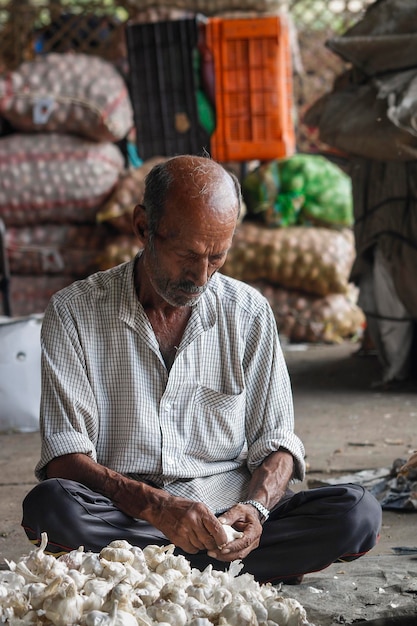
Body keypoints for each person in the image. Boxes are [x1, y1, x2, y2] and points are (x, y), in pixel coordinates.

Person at [22, 154, 382, 584]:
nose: (200, 276)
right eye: (186, 255)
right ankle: (229, 570)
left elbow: (279, 444)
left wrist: (256, 509)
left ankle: (156, 569)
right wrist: (158, 507)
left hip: (224, 516)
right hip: (131, 516)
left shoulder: (248, 313)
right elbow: (64, 458)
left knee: (358, 512)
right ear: (142, 228)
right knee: (51, 507)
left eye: (217, 257)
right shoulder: (74, 312)